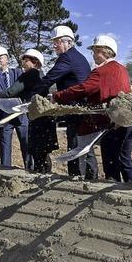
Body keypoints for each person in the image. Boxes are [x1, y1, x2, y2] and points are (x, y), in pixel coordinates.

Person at [53, 35, 132, 182]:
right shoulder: (122, 69)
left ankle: (113, 195)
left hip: (111, 123)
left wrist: (57, 96)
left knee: (111, 162)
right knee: (125, 160)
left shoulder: (100, 72)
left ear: (105, 51)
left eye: (95, 51)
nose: (93, 54)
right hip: (129, 121)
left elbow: (83, 88)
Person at [32, 25, 96, 178]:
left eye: (58, 41)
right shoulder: (80, 57)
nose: (54, 45)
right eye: (54, 42)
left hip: (75, 109)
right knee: (86, 147)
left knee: (74, 146)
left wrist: (34, 95)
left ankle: (75, 179)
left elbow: (50, 78)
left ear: (69, 42)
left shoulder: (66, 58)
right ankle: (91, 179)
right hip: (86, 108)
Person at [0, 49, 59, 173]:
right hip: (42, 117)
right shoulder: (41, 75)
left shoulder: (29, 74)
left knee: (32, 148)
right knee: (41, 152)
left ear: (35, 62)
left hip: (31, 117)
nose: (23, 63)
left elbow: (10, 92)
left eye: (25, 60)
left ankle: (31, 173)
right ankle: (38, 174)